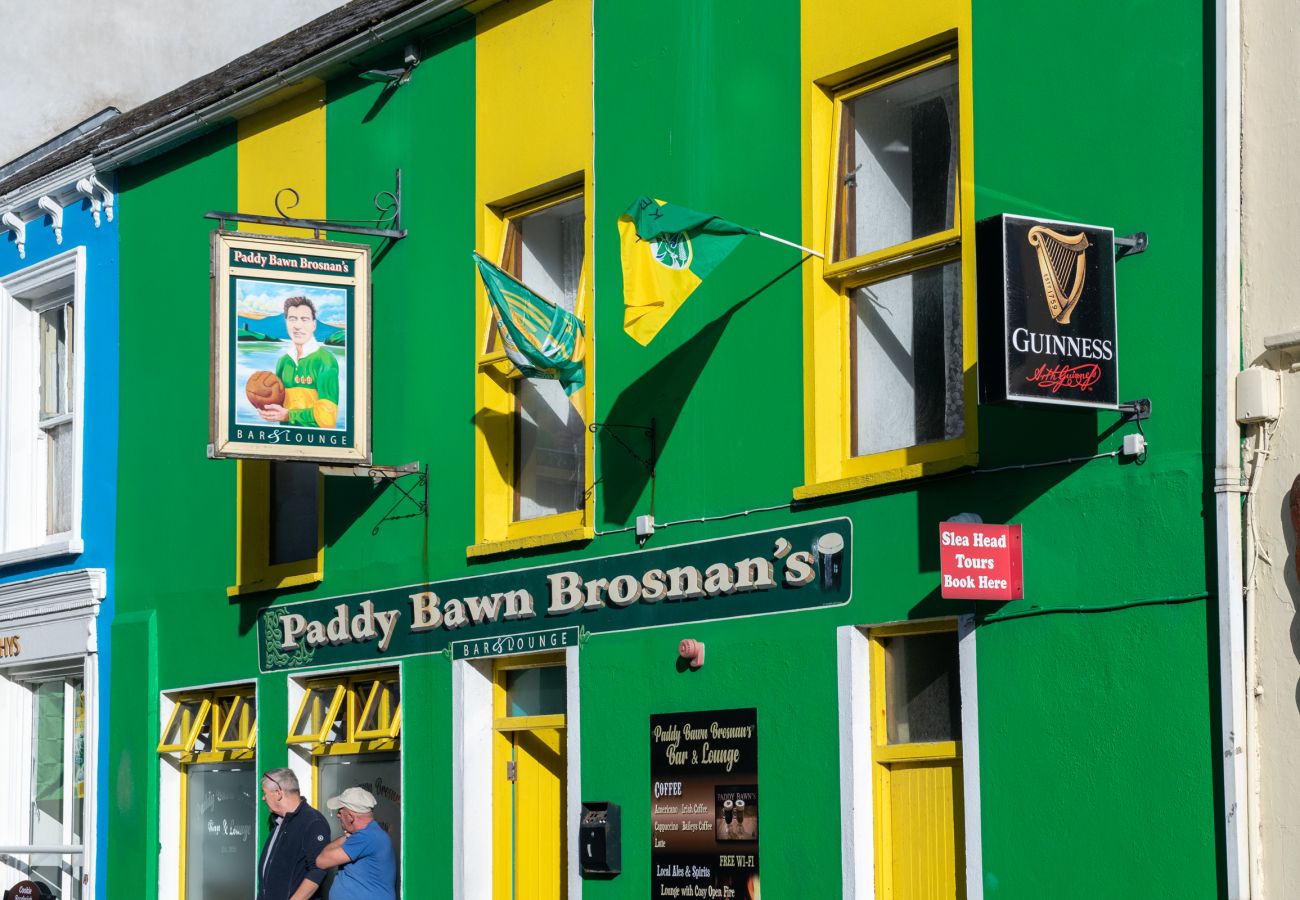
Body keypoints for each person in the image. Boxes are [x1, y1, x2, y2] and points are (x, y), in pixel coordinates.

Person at [257, 295, 341, 428]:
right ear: (286, 323)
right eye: (292, 319)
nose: (297, 326)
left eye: (304, 319)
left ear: (314, 324)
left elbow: (328, 417)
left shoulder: (326, 360)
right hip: (284, 439)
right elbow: (278, 404)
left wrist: (289, 415)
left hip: (317, 442)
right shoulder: (283, 362)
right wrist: (264, 403)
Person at [257, 768, 332, 900]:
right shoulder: (279, 821)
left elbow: (318, 870)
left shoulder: (313, 822)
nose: (263, 798)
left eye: (265, 793)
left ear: (278, 793)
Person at [316, 787, 397, 900]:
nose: (337, 815)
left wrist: (345, 837)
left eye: (339, 811)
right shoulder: (370, 834)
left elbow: (322, 861)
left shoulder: (366, 837)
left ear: (350, 817)